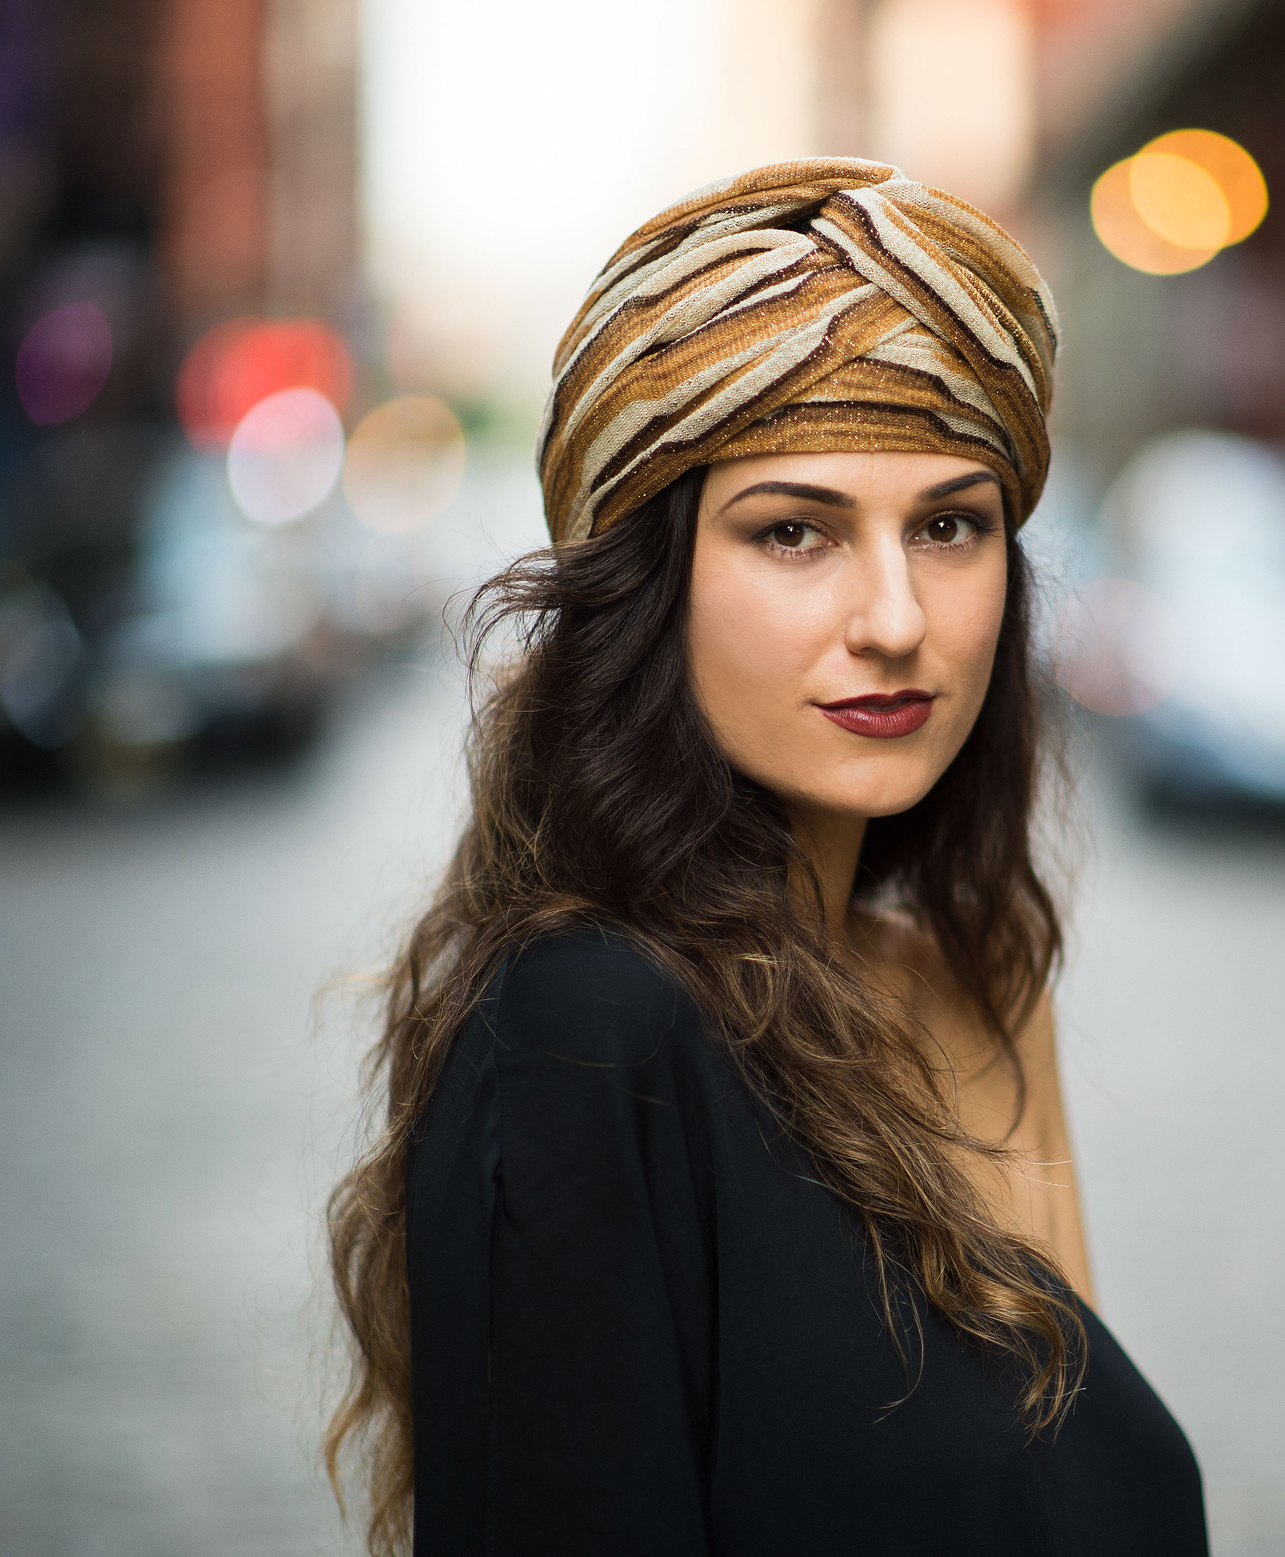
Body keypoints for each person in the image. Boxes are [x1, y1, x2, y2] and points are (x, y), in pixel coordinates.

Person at [324, 159, 1208, 1557]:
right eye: (795, 530)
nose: (898, 616)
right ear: (650, 586)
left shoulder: (972, 983)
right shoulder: (583, 1028)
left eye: (951, 524)